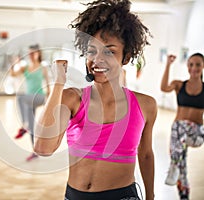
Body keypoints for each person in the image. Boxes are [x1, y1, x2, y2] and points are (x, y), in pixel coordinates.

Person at [34, 0, 157, 199]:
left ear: (125, 57)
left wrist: (150, 196)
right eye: (92, 51)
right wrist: (58, 83)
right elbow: (42, 147)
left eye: (109, 51)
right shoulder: (72, 98)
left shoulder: (146, 105)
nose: (97, 59)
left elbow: (146, 154)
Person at [160, 53, 204, 200]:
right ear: (187, 66)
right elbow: (164, 88)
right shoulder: (180, 85)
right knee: (181, 164)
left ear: (203, 66)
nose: (194, 68)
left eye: (198, 64)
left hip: (196, 135)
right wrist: (168, 64)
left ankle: (173, 164)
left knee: (181, 126)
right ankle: (184, 194)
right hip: (179, 135)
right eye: (191, 64)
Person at [10, 44, 50, 161]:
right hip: (29, 99)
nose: (31, 56)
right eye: (29, 53)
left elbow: (48, 86)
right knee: (32, 126)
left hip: (39, 97)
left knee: (20, 98)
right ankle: (35, 151)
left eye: (33, 53)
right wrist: (14, 64)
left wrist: (50, 102)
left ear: (38, 54)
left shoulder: (43, 68)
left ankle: (24, 125)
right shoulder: (25, 67)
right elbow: (13, 74)